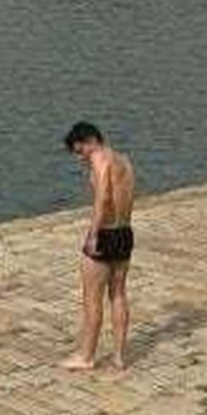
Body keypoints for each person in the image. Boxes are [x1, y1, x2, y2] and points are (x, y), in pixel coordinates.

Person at [60, 123, 137, 372]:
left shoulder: (100, 157)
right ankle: (119, 356)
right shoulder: (124, 160)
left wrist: (93, 234)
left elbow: (103, 197)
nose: (81, 157)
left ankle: (86, 356)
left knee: (92, 299)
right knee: (118, 294)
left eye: (80, 151)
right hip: (125, 231)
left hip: (105, 233)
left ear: (91, 140)